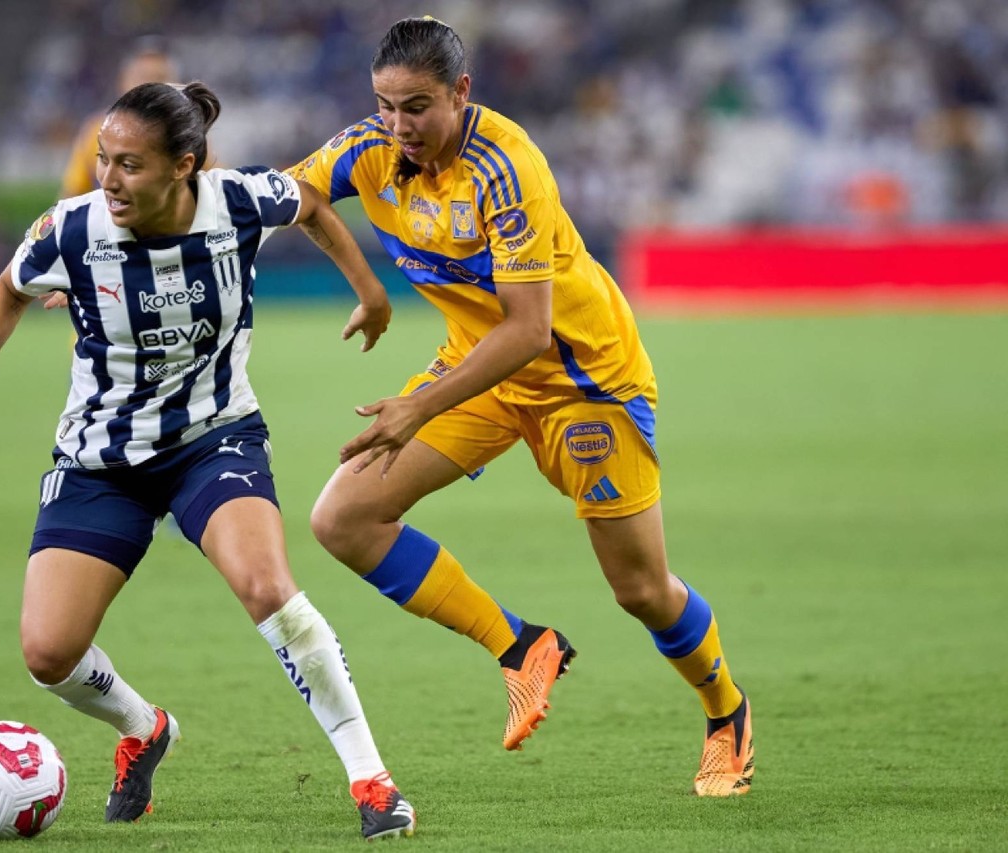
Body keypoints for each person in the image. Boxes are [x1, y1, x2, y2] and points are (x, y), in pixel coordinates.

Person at [0, 81, 416, 839]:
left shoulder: (240, 200)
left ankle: (372, 778)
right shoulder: (72, 229)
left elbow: (316, 205)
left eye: (129, 164)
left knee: (269, 586)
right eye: (103, 160)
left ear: (182, 166)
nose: (108, 179)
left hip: (213, 437)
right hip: (100, 458)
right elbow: (7, 288)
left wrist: (371, 292)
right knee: (48, 651)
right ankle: (144, 725)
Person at [290, 17, 753, 796]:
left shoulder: (506, 165)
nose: (399, 126)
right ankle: (520, 646)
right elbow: (295, 194)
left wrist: (415, 407)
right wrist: (368, 287)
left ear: (462, 93)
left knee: (640, 589)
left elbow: (530, 330)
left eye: (418, 107)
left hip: (584, 382)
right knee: (343, 518)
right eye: (386, 105)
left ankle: (725, 710)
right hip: (479, 371)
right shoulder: (371, 146)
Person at [60, 36, 178, 198]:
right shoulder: (96, 130)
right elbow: (72, 196)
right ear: (123, 81)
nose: (150, 86)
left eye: (160, 78)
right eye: (143, 77)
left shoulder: (186, 134)